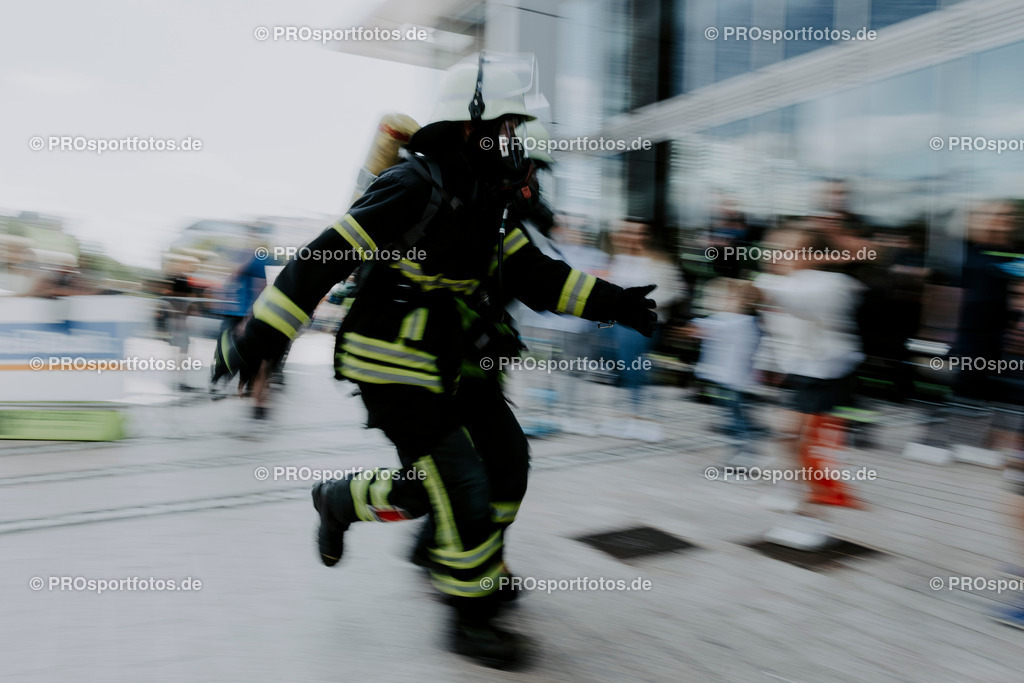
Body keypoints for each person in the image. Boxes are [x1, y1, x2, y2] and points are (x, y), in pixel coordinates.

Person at [211, 53, 657, 668]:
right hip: (391, 361)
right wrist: (260, 336)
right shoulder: (413, 184)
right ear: (471, 126)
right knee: (459, 484)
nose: (516, 142)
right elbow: (323, 257)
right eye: (507, 128)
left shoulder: (488, 203)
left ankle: (348, 505)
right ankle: (470, 616)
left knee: (506, 466)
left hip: (452, 360)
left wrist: (619, 304)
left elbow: (539, 276)